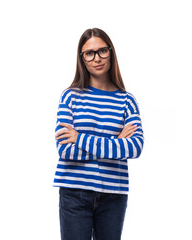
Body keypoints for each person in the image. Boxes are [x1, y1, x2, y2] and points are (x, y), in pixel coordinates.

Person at [53, 28, 144, 240]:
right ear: (82, 59)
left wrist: (80, 138)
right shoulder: (70, 97)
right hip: (75, 193)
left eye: (102, 51)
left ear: (111, 52)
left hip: (114, 195)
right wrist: (116, 143)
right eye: (89, 53)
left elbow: (135, 147)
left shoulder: (126, 101)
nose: (97, 58)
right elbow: (65, 149)